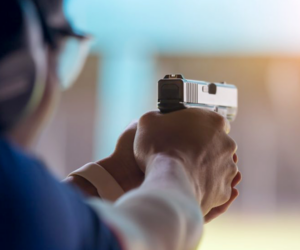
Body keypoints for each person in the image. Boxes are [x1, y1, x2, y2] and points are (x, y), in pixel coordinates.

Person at [0, 0, 241, 250]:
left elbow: (49, 223)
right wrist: (180, 166)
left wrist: (117, 176)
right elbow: (141, 241)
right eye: (61, 48)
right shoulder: (12, 191)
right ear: (17, 64)